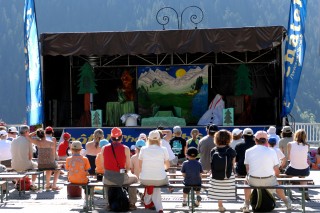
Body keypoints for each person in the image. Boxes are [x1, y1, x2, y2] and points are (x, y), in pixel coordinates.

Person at [241, 131, 292, 213]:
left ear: (255, 139)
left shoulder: (248, 151)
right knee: (277, 184)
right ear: (266, 140)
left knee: (246, 181)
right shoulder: (272, 151)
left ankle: (246, 203)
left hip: (254, 181)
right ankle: (287, 202)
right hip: (269, 181)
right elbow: (276, 170)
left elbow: (248, 169)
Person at [101, 127, 138, 211]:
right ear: (122, 137)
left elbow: (103, 165)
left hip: (107, 178)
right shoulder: (126, 148)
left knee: (107, 178)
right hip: (120, 178)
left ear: (111, 137)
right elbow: (128, 167)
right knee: (135, 179)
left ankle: (108, 203)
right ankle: (132, 203)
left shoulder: (103, 148)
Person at [139, 130, 169, 213]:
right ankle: (158, 208)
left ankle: (149, 202)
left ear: (149, 138)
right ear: (159, 139)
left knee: (152, 182)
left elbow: (140, 166)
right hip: (160, 178)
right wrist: (160, 169)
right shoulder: (164, 149)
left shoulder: (143, 149)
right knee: (157, 181)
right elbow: (167, 166)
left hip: (145, 179)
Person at [208, 130, 236, 212]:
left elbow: (211, 163)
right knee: (225, 189)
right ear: (229, 138)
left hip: (215, 176)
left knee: (218, 190)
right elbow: (233, 164)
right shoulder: (231, 151)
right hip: (228, 176)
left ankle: (220, 205)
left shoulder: (213, 150)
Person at [285, 129, 310, 199]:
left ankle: (289, 192)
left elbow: (289, 157)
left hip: (293, 168)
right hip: (304, 169)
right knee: (302, 177)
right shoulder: (307, 145)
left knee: (288, 176)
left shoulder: (290, 144)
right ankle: (305, 192)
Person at [11, 125, 38, 190]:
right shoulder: (28, 141)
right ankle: (33, 184)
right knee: (36, 166)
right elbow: (30, 156)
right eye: (28, 131)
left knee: (22, 166)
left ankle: (18, 182)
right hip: (24, 165)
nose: (29, 133)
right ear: (26, 132)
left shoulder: (13, 140)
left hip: (14, 165)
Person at [65, 141, 91, 209]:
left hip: (71, 179)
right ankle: (86, 200)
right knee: (88, 186)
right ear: (80, 150)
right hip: (83, 180)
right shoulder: (85, 159)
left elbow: (67, 168)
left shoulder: (68, 159)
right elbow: (87, 169)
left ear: (71, 149)